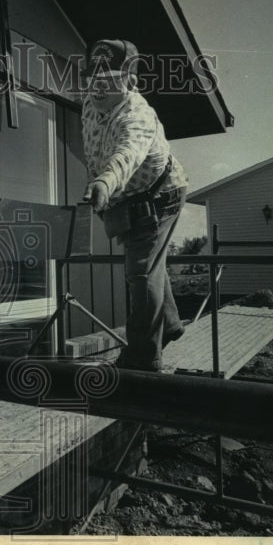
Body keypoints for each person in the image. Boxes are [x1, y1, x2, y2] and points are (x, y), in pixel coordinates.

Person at [80, 39, 188, 372]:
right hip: (126, 197)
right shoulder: (89, 102)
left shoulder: (137, 114)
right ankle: (168, 324)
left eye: (108, 78)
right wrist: (102, 188)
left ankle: (143, 358)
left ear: (128, 78)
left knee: (141, 272)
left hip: (161, 196)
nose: (99, 86)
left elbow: (125, 155)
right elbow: (94, 148)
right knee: (149, 266)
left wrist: (104, 183)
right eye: (93, 77)